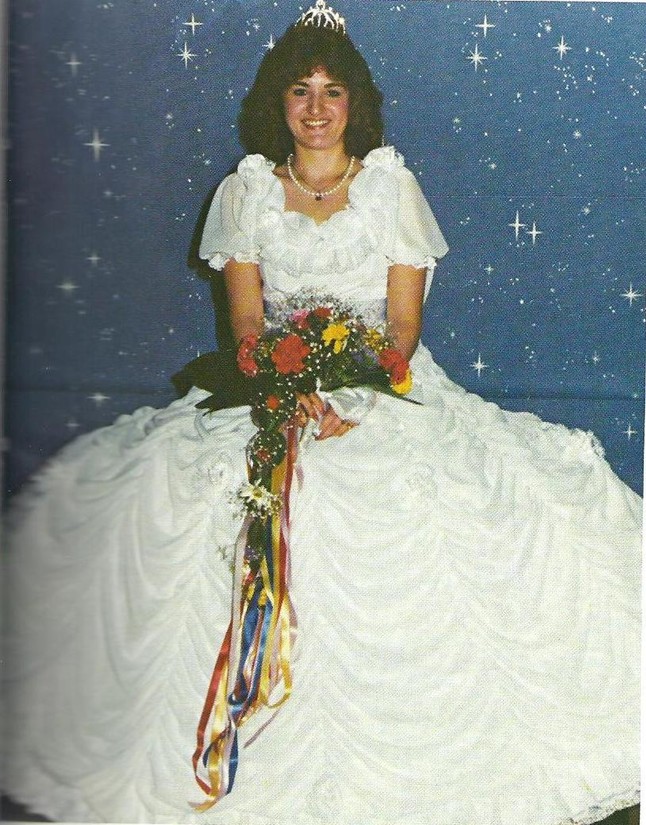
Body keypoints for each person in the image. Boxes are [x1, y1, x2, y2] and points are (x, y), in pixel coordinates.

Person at [2, 2, 640, 824]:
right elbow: (244, 325)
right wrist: (283, 384)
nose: (315, 108)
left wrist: (347, 387)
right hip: (270, 385)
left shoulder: (390, 187)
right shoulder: (246, 191)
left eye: (331, 91)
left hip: (382, 385)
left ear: (354, 104)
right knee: (176, 493)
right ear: (278, 101)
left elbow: (402, 329)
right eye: (299, 90)